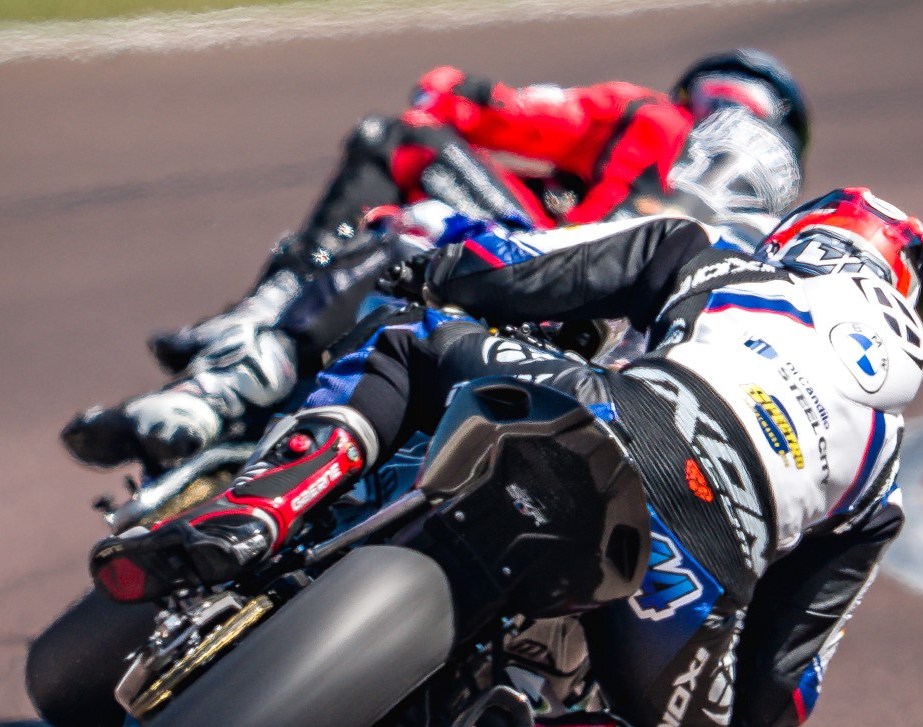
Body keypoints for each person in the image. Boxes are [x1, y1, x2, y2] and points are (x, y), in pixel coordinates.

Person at [88, 186, 923, 727]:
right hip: (696, 575)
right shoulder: (883, 477)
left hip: (611, 409)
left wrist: (436, 272)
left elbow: (521, 268)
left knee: (402, 340)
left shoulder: (720, 257)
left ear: (799, 235)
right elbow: (776, 699)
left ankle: (258, 510)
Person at [61, 49, 810, 471]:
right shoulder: (773, 248)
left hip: (536, 271)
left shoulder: (653, 115)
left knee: (401, 154)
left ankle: (256, 337)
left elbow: (493, 109)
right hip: (620, 383)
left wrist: (452, 90)